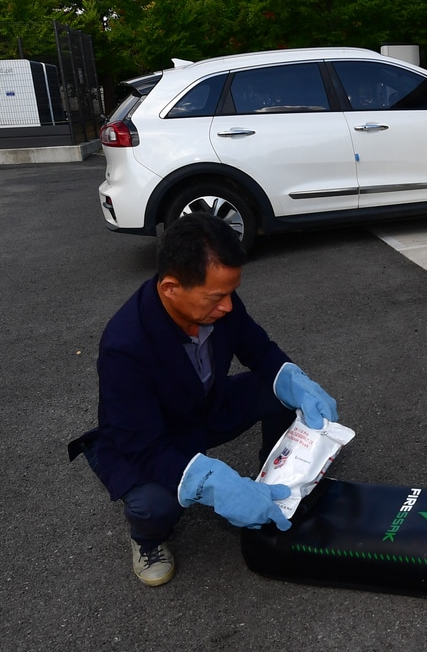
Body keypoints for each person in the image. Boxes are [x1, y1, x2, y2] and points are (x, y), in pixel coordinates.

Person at [69, 214, 338, 587]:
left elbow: (259, 350)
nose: (228, 306)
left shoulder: (216, 299)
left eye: (231, 292)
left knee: (281, 391)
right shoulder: (124, 346)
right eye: (217, 297)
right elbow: (143, 446)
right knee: (155, 505)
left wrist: (296, 380)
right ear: (170, 288)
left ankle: (278, 479)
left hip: (205, 405)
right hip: (152, 438)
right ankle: (147, 540)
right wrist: (214, 481)